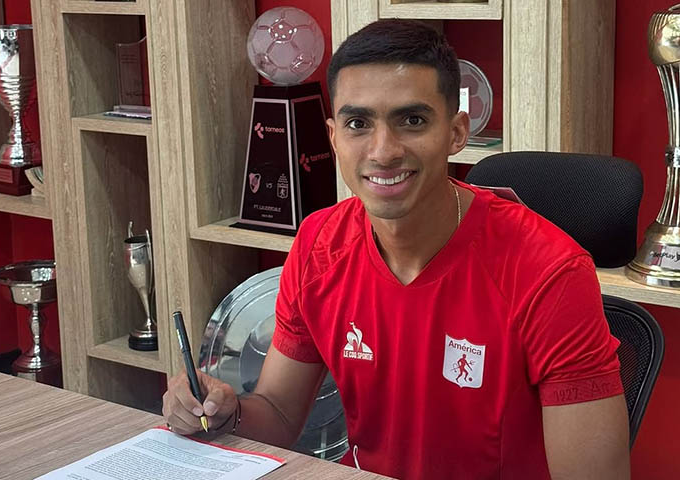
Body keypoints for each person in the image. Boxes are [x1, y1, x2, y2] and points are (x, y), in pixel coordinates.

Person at [163, 18, 630, 479]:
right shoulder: (318, 244)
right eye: (358, 123)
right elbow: (279, 415)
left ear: (457, 132)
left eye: (412, 120)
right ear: (333, 137)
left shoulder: (550, 271)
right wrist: (224, 414)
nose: (383, 151)